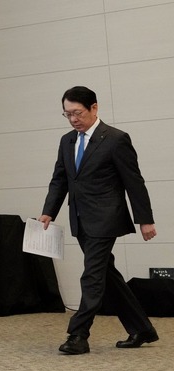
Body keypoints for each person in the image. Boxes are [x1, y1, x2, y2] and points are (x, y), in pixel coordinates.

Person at [40, 86, 159, 355]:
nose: (72, 119)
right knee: (107, 274)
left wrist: (145, 220)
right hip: (80, 218)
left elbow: (134, 181)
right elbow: (60, 179)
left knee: (92, 276)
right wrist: (49, 210)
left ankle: (78, 334)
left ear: (94, 108)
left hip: (106, 217)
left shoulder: (116, 139)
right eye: (67, 114)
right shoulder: (67, 141)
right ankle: (142, 328)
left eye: (77, 113)